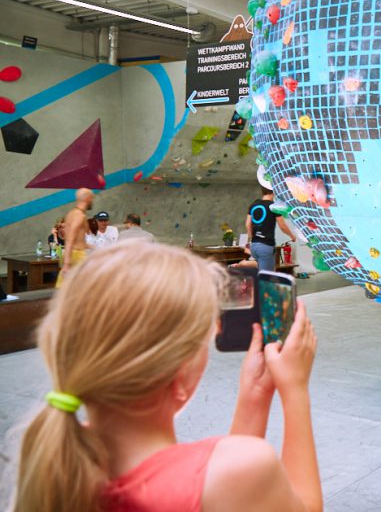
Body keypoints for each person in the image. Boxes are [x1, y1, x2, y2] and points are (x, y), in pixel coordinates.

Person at [14, 242, 322, 512]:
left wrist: (253, 396)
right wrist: (295, 391)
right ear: (182, 367)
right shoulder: (243, 468)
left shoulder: (58, 454)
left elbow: (218, 479)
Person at [247, 187, 297, 273]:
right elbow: (282, 226)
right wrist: (292, 236)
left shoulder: (253, 205)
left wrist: (251, 239)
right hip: (265, 246)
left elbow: (248, 224)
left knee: (261, 272)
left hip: (254, 246)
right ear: (273, 192)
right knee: (266, 277)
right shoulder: (274, 207)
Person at [57, 188, 92, 287]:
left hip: (72, 253)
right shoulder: (79, 216)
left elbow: (80, 241)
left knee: (65, 289)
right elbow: (70, 238)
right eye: (92, 198)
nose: (92, 201)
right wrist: (67, 264)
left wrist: (97, 248)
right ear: (87, 199)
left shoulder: (71, 213)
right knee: (81, 290)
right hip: (76, 255)